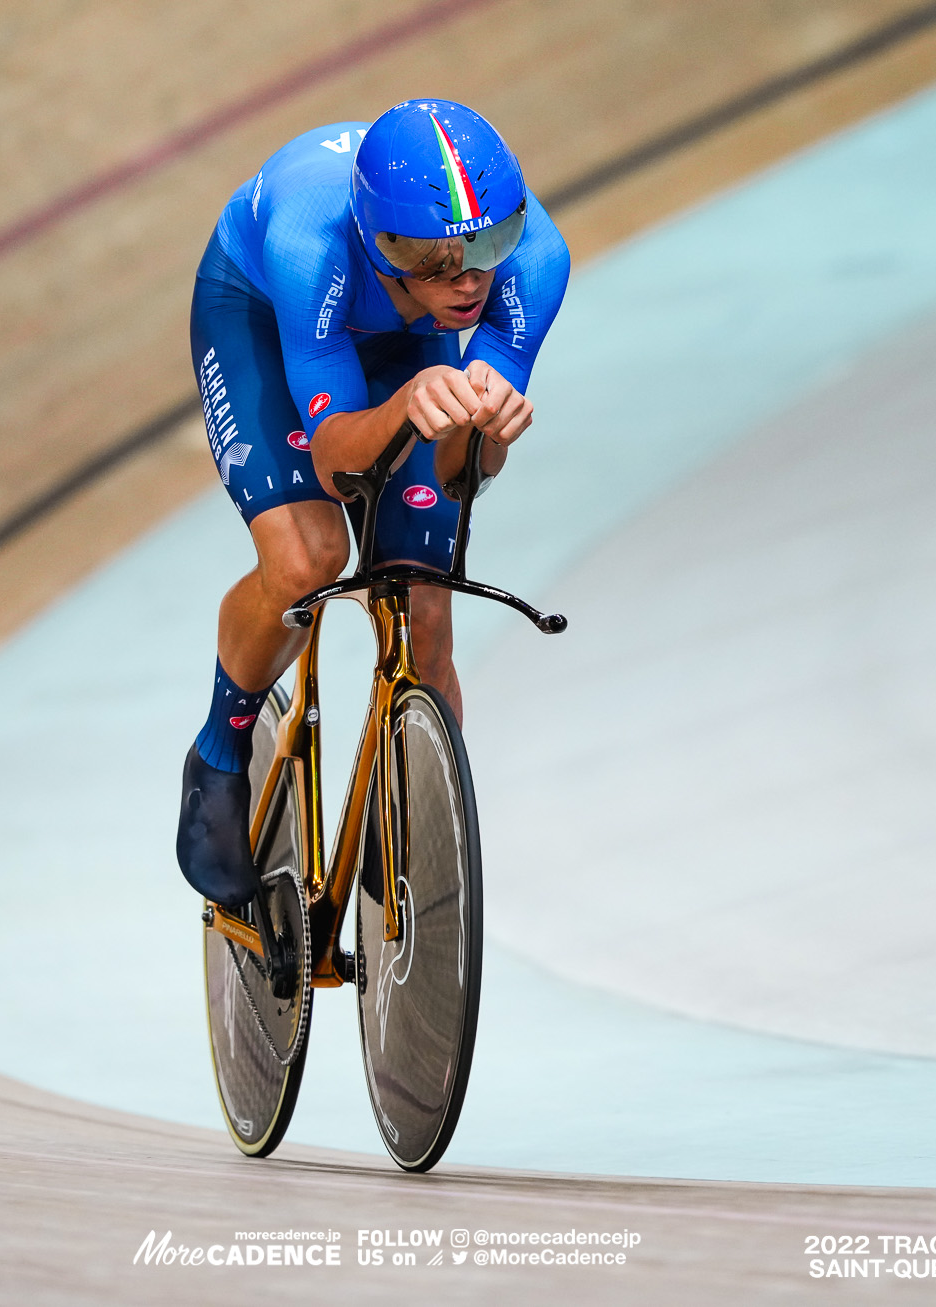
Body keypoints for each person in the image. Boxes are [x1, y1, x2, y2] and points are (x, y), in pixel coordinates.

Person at [176, 98, 570, 906]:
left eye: (487, 245)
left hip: (401, 331)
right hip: (262, 312)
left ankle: (423, 814)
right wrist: (409, 400)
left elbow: (465, 476)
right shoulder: (306, 243)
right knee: (309, 558)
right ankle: (219, 752)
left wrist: (485, 424)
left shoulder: (532, 264)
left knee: (423, 598)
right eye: (436, 262)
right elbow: (334, 461)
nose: (468, 283)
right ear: (383, 244)